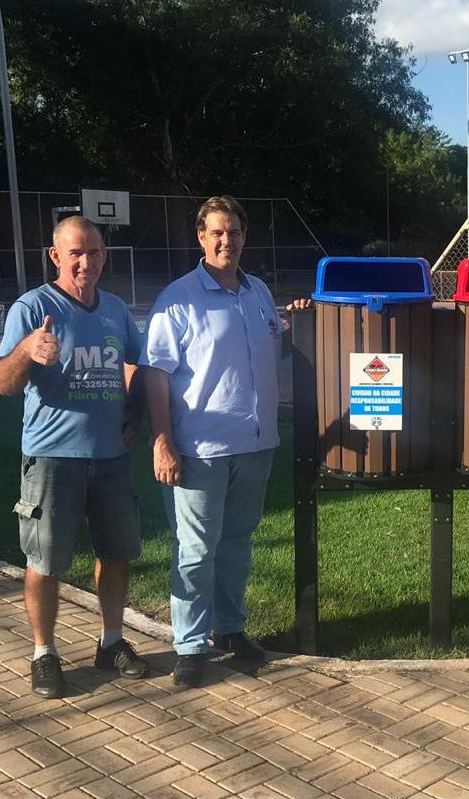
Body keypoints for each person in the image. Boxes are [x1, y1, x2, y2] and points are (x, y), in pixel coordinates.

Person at [140, 195, 309, 688]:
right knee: (195, 551)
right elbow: (155, 375)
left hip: (255, 445)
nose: (225, 241)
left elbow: (266, 355)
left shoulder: (257, 293)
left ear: (243, 237)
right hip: (199, 448)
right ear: (200, 236)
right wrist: (162, 440)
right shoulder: (178, 299)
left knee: (237, 543)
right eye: (216, 232)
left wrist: (294, 326)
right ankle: (189, 646)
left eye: (233, 232)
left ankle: (230, 630)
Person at [0, 216, 149, 699]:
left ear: (105, 257)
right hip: (52, 458)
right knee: (46, 560)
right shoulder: (34, 307)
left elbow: (137, 368)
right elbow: (2, 382)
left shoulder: (117, 311)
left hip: (111, 458)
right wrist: (26, 350)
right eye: (76, 252)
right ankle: (44, 652)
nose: (87, 262)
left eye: (95, 252)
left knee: (115, 552)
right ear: (55, 255)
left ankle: (112, 641)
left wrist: (136, 415)